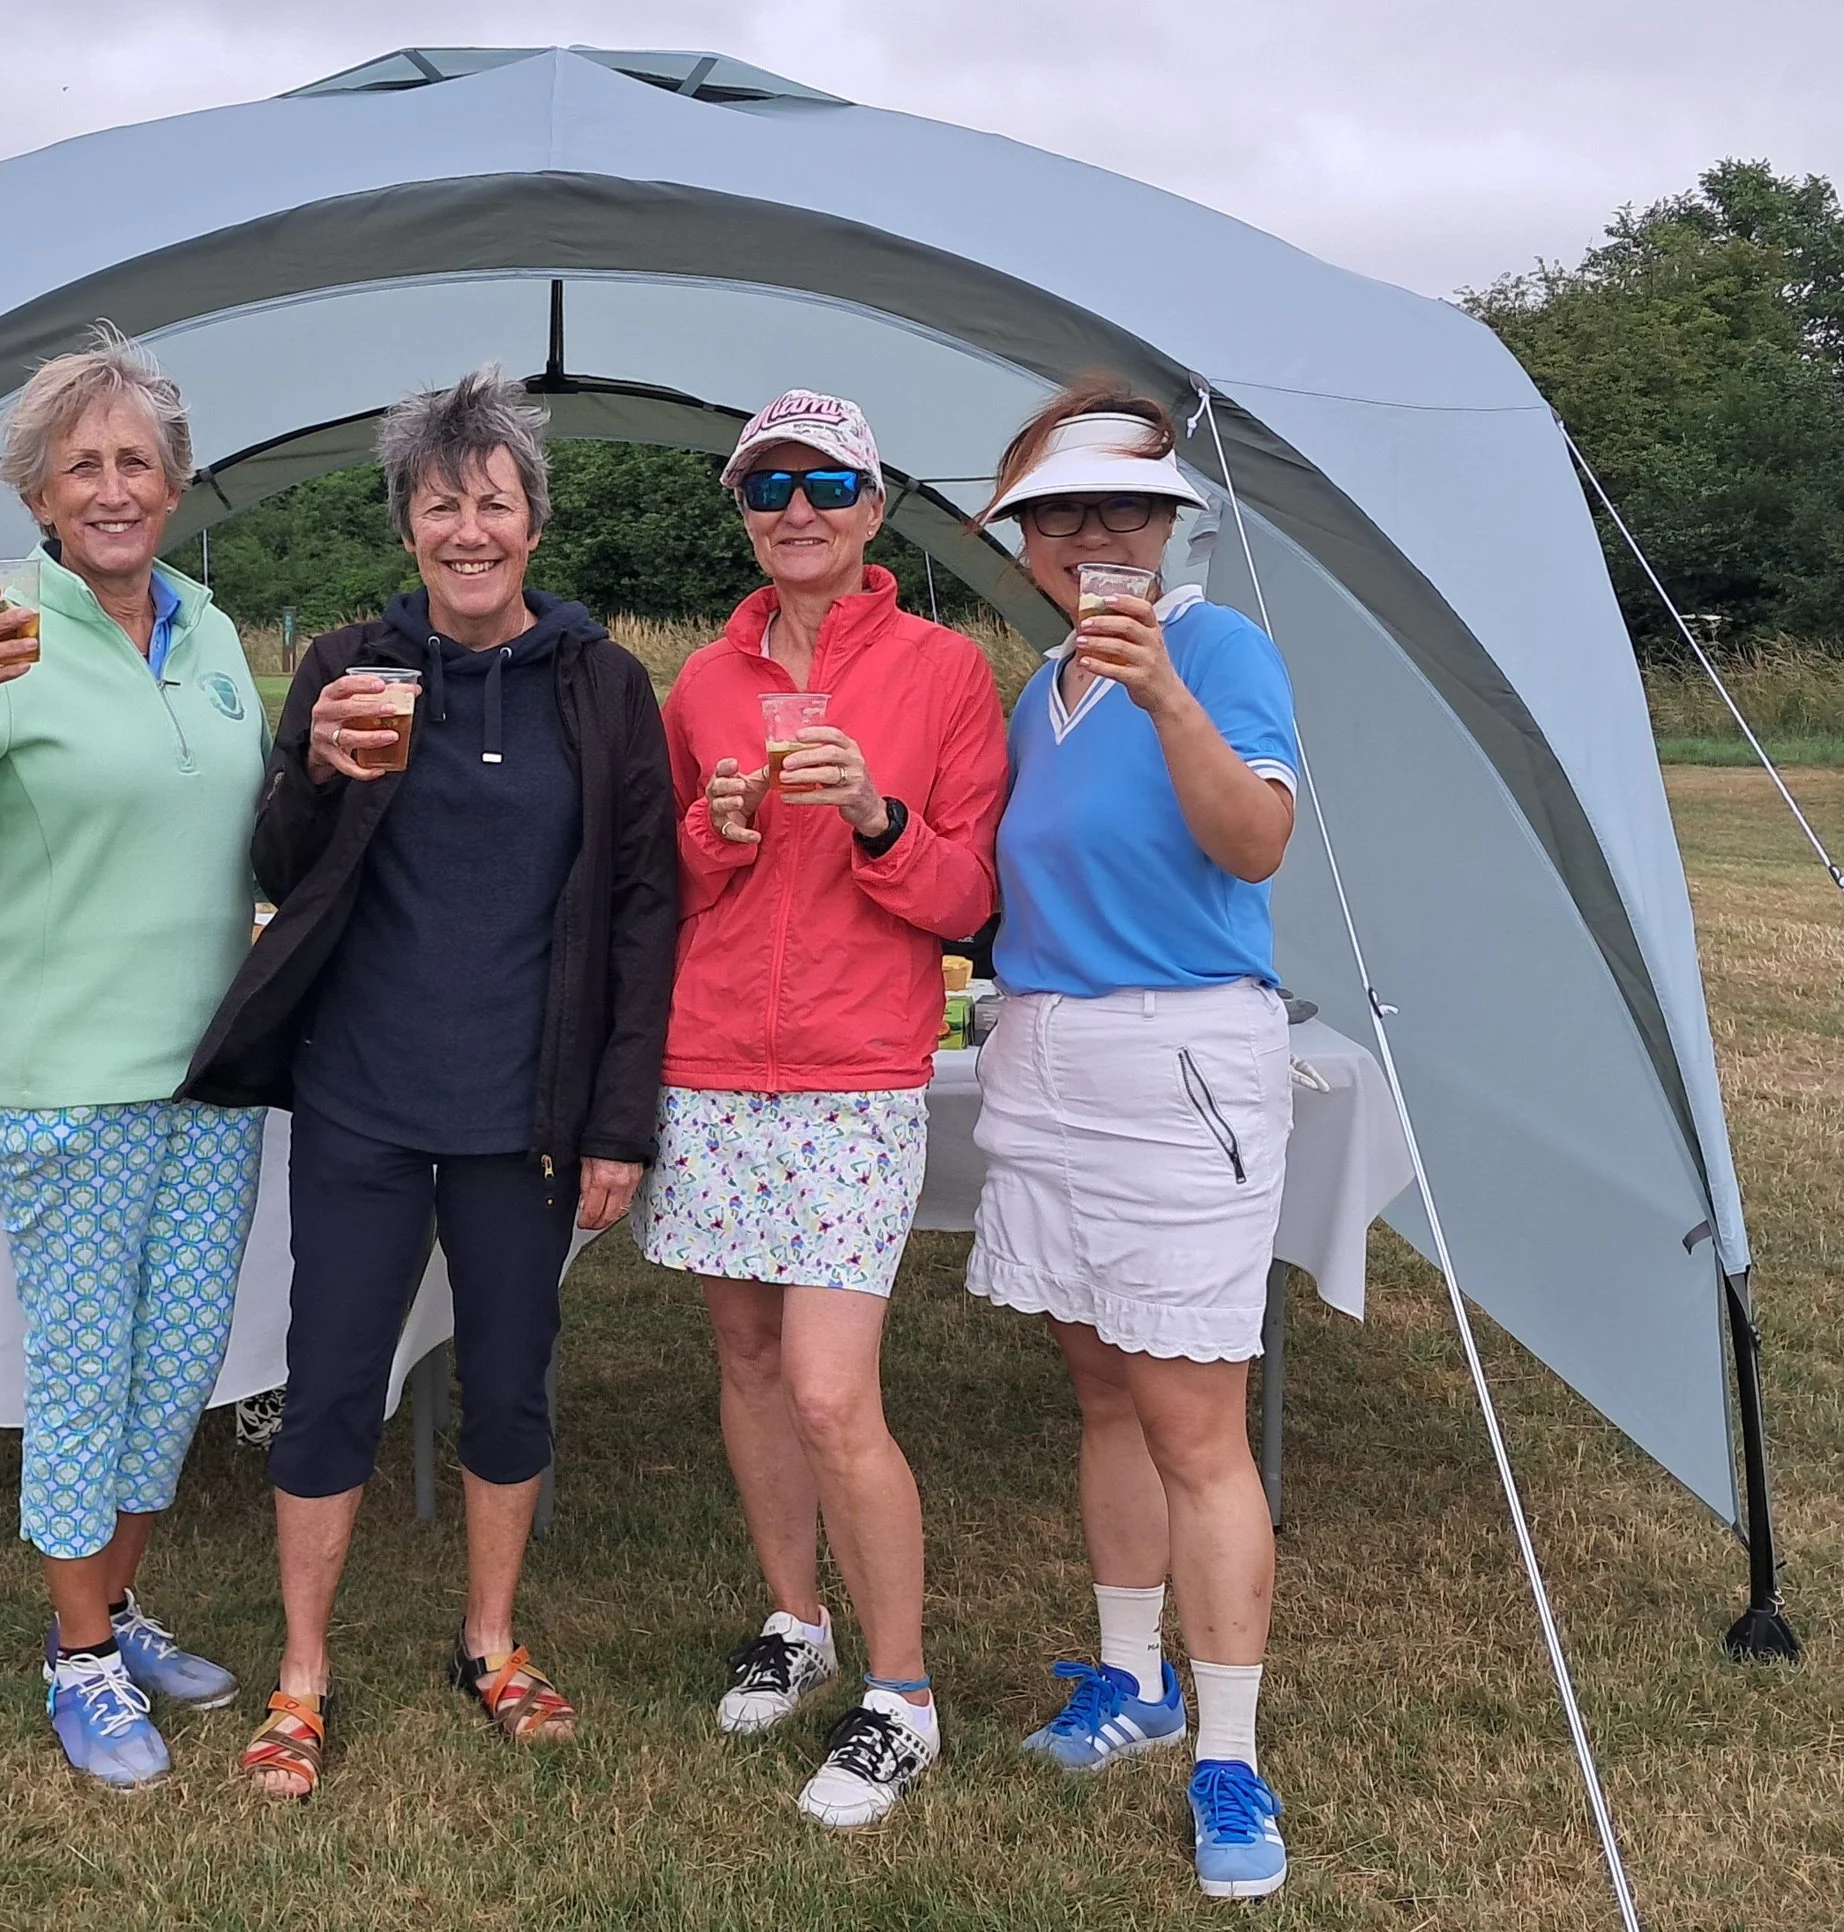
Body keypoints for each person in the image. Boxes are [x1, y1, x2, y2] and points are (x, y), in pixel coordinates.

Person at [186, 367, 677, 1802]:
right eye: (441, 503)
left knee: (512, 1385)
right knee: (331, 1382)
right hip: (365, 1102)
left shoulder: (602, 685)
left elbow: (644, 908)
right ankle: (301, 1676)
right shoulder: (347, 665)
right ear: (408, 524)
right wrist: (321, 772)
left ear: (535, 521)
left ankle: (491, 1642)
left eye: (496, 502)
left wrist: (615, 1118)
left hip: (525, 1116)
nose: (470, 529)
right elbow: (275, 869)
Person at [0, 327, 266, 1790]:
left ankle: (118, 1606)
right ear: (36, 495)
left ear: (175, 485)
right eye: (80, 464)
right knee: (91, 1373)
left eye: (136, 461)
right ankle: (78, 1656)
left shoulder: (209, 633)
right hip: (62, 1085)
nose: (111, 486)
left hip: (210, 1078)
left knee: (175, 1371)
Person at [632, 389, 1009, 1830]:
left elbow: (969, 895)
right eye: (767, 484)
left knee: (832, 1389)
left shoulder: (942, 674)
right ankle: (797, 1621)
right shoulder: (704, 686)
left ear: (876, 506)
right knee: (744, 1362)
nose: (796, 507)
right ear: (742, 509)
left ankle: (901, 1696)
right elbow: (664, 881)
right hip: (716, 1057)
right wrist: (708, 832)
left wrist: (877, 819)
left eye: (827, 482)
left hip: (856, 1070)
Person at [964, 378, 1300, 1899]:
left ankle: (1229, 1758)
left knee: (1195, 1427)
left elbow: (1255, 844)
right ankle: (1133, 1679)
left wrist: (1168, 693)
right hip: (1045, 1058)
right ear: (1028, 544)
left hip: (1182, 1065)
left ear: (1169, 530)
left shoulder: (1221, 652)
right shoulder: (1038, 691)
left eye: (1124, 511)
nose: (1092, 537)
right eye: (1060, 515)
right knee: (1103, 1387)